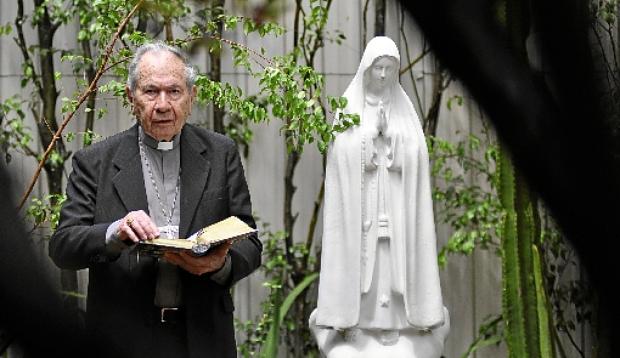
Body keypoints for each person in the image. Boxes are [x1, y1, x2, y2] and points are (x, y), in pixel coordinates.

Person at [49, 42, 262, 358]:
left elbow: (250, 241)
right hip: (123, 337)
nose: (163, 104)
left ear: (191, 96)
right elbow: (63, 247)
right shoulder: (95, 161)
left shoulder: (220, 153)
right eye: (151, 91)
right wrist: (115, 232)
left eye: (174, 92)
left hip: (203, 338)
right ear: (130, 96)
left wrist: (220, 265)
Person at [311, 37, 447, 357]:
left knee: (389, 260)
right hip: (362, 207)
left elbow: (415, 155)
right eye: (378, 68)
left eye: (389, 68)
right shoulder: (350, 107)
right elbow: (341, 154)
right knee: (362, 262)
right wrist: (367, 141)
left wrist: (393, 139)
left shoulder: (403, 110)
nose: (384, 75)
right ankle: (352, 319)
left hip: (395, 205)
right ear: (367, 69)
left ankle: (393, 323)